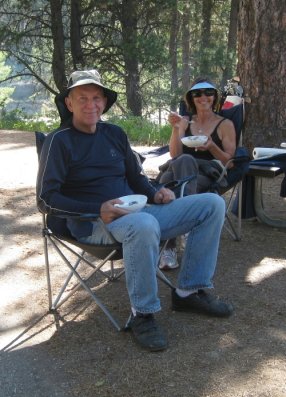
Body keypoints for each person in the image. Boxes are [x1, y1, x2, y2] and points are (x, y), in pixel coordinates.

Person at [36, 69, 233, 353]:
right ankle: (143, 314)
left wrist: (156, 192)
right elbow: (46, 199)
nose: (91, 105)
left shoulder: (114, 133)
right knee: (143, 224)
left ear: (104, 102)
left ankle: (189, 291)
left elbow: (136, 177)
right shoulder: (59, 141)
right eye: (82, 99)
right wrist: (98, 209)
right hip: (92, 222)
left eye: (96, 98)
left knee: (212, 204)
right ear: (69, 103)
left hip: (139, 212)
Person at [158, 77, 236, 271]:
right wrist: (178, 129)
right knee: (180, 166)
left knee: (167, 181)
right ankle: (184, 230)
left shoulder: (225, 124)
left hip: (210, 173)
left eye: (208, 93)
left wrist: (212, 146)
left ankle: (170, 245)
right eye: (197, 93)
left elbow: (230, 161)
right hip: (185, 174)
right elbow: (175, 155)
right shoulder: (185, 121)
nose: (203, 97)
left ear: (214, 97)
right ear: (191, 99)